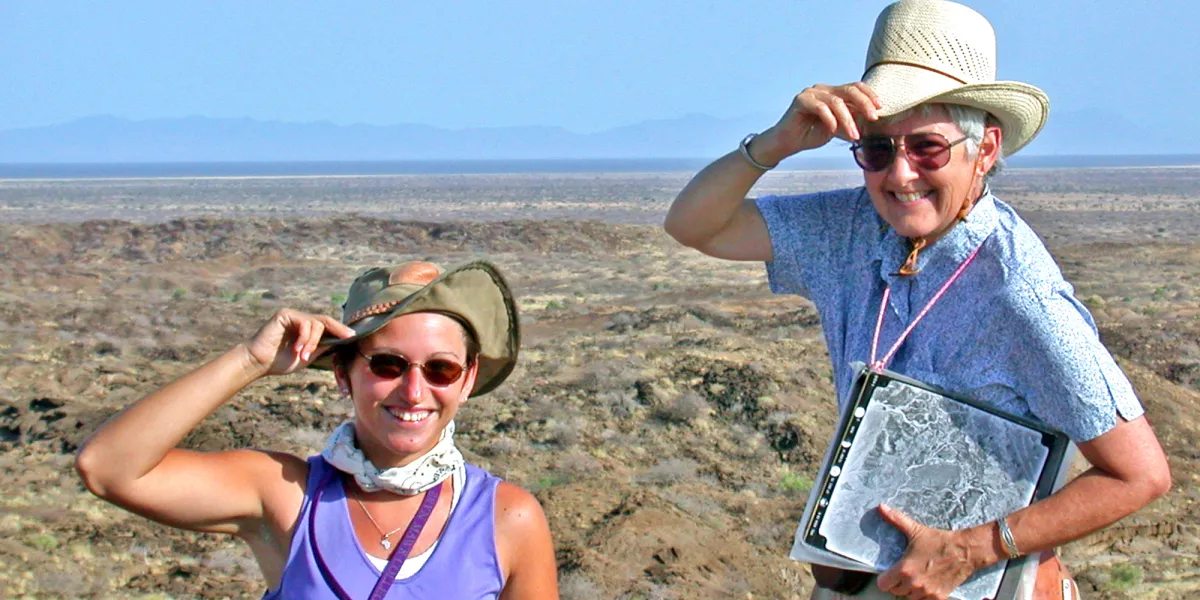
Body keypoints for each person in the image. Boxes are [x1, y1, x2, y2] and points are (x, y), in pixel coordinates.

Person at [663, 1, 1170, 599]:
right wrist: (773, 145)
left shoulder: (1017, 294)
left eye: (927, 147)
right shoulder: (851, 230)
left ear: (985, 150)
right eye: (877, 149)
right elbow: (695, 226)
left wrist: (970, 549)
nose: (900, 175)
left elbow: (1139, 475)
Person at [76, 260, 559, 599]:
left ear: (468, 378)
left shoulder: (506, 519)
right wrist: (251, 360)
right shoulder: (286, 495)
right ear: (343, 373)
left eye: (441, 369)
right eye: (388, 365)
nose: (414, 392)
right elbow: (107, 469)